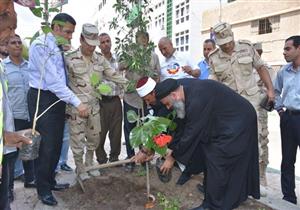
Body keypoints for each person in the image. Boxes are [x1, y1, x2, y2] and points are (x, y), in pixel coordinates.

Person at [135, 78, 260, 210]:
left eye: (167, 104)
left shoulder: (196, 101)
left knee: (218, 159)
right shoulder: (179, 90)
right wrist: (167, 149)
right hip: (225, 119)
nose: (168, 107)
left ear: (174, 95)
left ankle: (212, 205)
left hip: (238, 121)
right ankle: (215, 190)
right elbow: (181, 123)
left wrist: (172, 157)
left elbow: (190, 133)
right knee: (209, 154)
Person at [27, 13, 87, 206]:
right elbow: (53, 82)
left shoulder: (56, 45)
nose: (70, 36)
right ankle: (42, 190)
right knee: (46, 147)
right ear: (56, 28)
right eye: (68, 32)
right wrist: (77, 102)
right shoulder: (40, 45)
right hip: (42, 99)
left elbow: (61, 78)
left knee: (56, 145)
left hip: (57, 98)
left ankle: (50, 181)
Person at [209, 22, 275, 188]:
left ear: (233, 36)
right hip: (231, 106)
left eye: (229, 42)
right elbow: (213, 85)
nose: (228, 46)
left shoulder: (246, 47)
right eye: (223, 44)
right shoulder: (214, 58)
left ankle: (260, 176)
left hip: (252, 101)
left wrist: (270, 91)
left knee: (260, 139)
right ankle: (238, 177)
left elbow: (261, 68)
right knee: (234, 140)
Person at [65, 24, 128, 180]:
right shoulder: (69, 57)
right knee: (77, 141)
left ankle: (89, 163)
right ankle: (80, 168)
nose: (92, 48)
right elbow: (61, 83)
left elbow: (113, 74)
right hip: (76, 109)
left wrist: (129, 84)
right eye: (89, 44)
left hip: (94, 107)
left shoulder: (99, 59)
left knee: (94, 139)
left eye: (94, 45)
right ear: (81, 39)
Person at [0, 5, 32, 209]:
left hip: (15, 123)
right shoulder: (4, 67)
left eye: (16, 35)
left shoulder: (28, 66)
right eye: (9, 28)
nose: (13, 38)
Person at [3, 34, 36, 203]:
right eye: (12, 43)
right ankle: (8, 189)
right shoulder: (3, 68)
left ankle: (30, 179)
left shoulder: (29, 67)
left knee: (28, 149)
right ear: (6, 47)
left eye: (18, 42)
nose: (17, 45)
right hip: (12, 117)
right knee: (10, 156)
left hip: (29, 115)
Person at [122, 31, 160, 172]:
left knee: (146, 128)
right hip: (131, 98)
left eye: (145, 38)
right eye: (140, 38)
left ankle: (144, 157)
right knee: (130, 128)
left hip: (147, 100)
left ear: (148, 40)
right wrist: (130, 58)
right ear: (136, 40)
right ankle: (130, 158)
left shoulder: (153, 56)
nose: (142, 41)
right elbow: (120, 67)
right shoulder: (129, 53)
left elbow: (157, 74)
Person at [274, 35, 300, 205]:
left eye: (288, 49)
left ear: (299, 49)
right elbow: (275, 91)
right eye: (284, 49)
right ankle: (288, 198)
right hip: (289, 119)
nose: (284, 52)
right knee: (287, 160)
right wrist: (280, 109)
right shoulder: (284, 71)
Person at [96, 33, 123, 164]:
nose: (106, 44)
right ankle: (101, 159)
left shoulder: (118, 59)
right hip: (101, 101)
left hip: (116, 100)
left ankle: (114, 158)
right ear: (98, 45)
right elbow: (93, 80)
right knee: (99, 133)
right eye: (103, 42)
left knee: (116, 132)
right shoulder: (96, 61)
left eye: (108, 41)